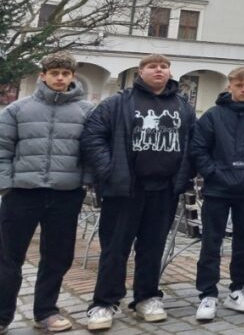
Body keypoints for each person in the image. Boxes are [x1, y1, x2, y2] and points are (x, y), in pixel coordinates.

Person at [80, 54, 195, 331]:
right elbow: (93, 136)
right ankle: (104, 302)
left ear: (169, 72)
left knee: (153, 248)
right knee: (115, 249)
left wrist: (185, 174)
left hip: (164, 189)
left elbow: (194, 141)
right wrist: (109, 169)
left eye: (164, 67)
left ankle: (147, 297)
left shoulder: (182, 105)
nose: (159, 70)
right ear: (140, 72)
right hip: (125, 188)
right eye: (152, 66)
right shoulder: (118, 102)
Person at [0, 52, 91, 333]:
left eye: (65, 73)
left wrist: (85, 182)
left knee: (57, 256)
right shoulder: (17, 109)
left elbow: (92, 150)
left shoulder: (87, 111)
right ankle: (2, 315)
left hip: (66, 193)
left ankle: (46, 311)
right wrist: (6, 184)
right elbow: (2, 148)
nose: (60, 78)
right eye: (54, 73)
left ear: (72, 76)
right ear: (43, 76)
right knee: (8, 256)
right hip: (22, 193)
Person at [191, 67, 244, 321]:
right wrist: (215, 173)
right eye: (239, 85)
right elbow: (199, 149)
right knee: (211, 242)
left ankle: (239, 289)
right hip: (217, 189)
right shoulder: (213, 115)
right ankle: (208, 293)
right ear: (229, 86)